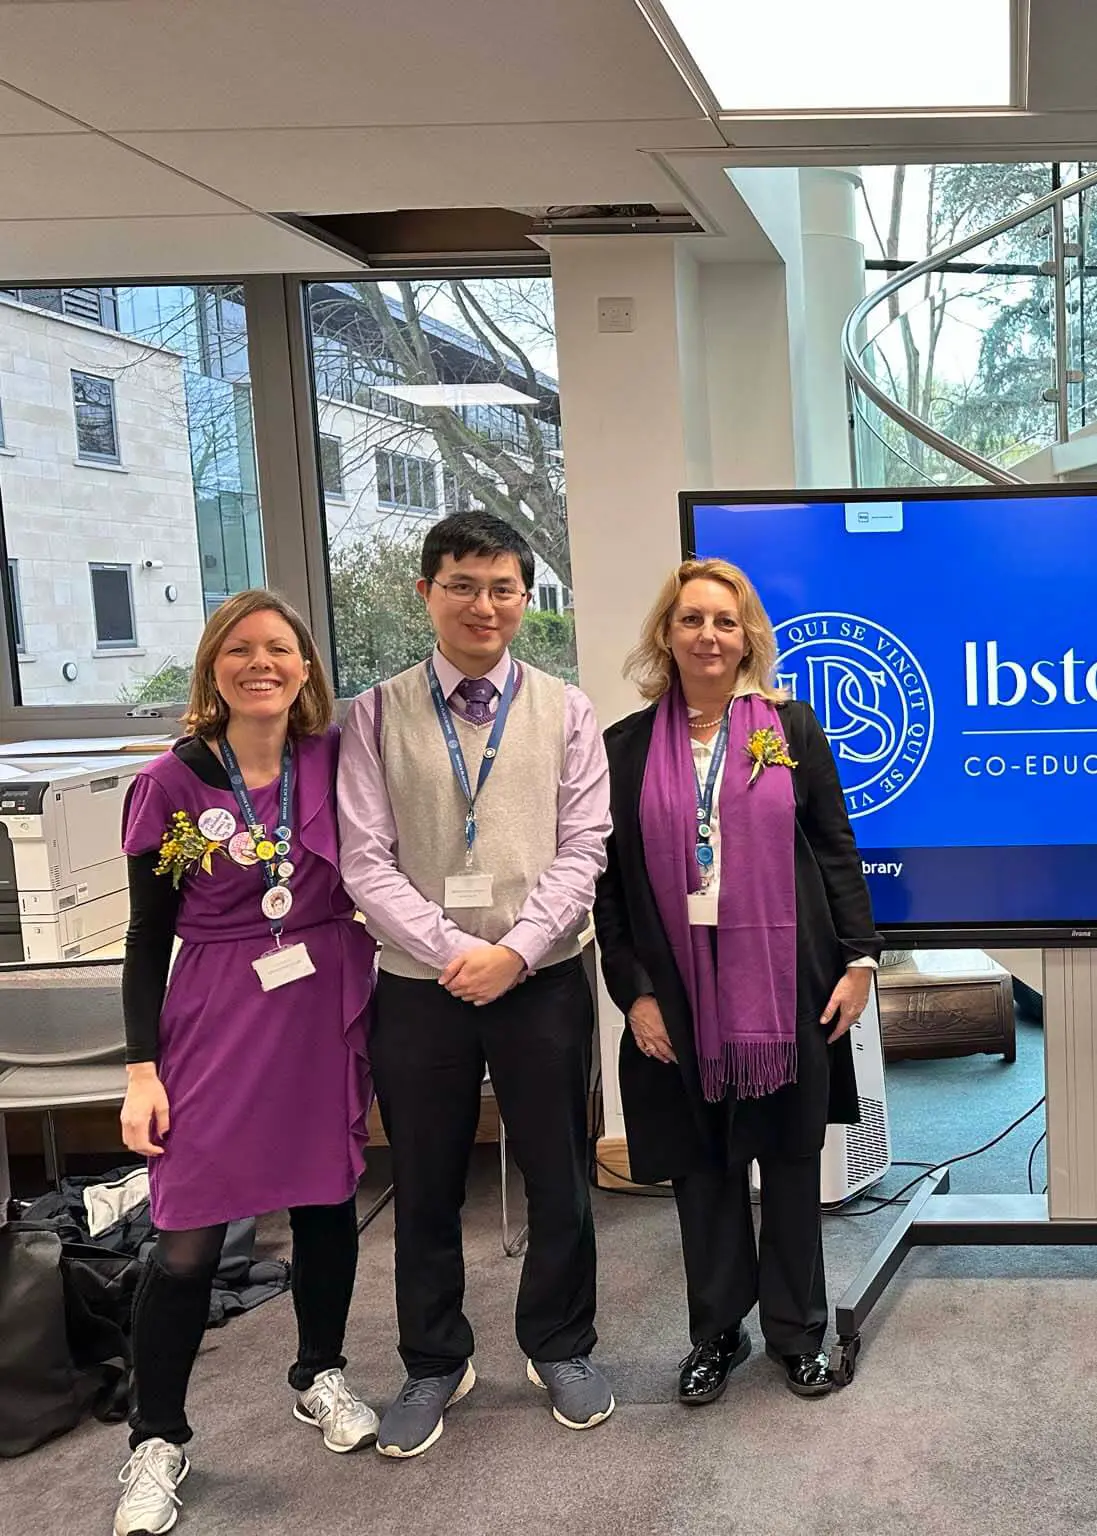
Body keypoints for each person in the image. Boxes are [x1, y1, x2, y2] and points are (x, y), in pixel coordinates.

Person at [337, 511, 613, 1458]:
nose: (482, 605)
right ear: (426, 593)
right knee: (423, 1179)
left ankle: (560, 1344)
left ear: (525, 603)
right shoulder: (372, 713)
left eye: (502, 589)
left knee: (560, 1172)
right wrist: (453, 948)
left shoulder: (567, 709)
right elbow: (363, 859)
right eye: (461, 585)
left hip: (542, 977)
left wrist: (518, 951)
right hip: (419, 985)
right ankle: (432, 1359)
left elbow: (585, 849)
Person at [112, 590, 377, 1536]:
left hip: (317, 1004)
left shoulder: (333, 759)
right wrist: (142, 1070)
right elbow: (146, 941)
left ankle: (321, 1374)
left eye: (279, 649)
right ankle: (156, 1440)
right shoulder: (171, 782)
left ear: (306, 669)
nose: (260, 663)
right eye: (240, 650)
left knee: (325, 1202)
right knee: (186, 1241)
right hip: (216, 1015)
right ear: (212, 668)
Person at [593, 558, 881, 1406]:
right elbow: (607, 885)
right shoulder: (624, 747)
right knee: (702, 1165)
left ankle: (796, 1333)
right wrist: (635, 990)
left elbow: (833, 847)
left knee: (790, 1158)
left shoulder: (791, 728)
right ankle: (717, 1332)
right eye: (691, 620)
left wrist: (859, 960)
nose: (707, 635)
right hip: (675, 986)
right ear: (665, 634)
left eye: (724, 621)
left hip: (784, 979)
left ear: (746, 635)